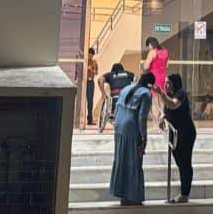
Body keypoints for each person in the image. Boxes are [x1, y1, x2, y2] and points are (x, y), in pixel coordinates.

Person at [109, 71, 156, 205]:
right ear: (150, 84)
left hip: (119, 126)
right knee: (134, 162)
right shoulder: (146, 94)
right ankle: (133, 197)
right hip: (131, 128)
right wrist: (144, 138)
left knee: (121, 160)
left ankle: (122, 194)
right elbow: (142, 117)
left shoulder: (126, 88)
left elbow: (117, 107)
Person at [154, 73, 196, 203]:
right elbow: (167, 110)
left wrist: (161, 93)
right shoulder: (169, 95)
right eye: (165, 83)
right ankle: (183, 191)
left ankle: (185, 193)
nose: (166, 85)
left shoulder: (180, 94)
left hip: (186, 132)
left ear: (175, 84)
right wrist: (162, 118)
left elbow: (173, 105)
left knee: (185, 162)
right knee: (179, 162)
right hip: (175, 133)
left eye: (169, 83)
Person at [84, 47, 98, 126]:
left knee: (90, 101)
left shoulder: (94, 62)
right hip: (84, 82)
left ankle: (89, 119)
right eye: (89, 55)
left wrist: (91, 69)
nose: (90, 56)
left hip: (91, 82)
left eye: (91, 55)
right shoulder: (84, 61)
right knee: (83, 101)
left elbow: (96, 73)